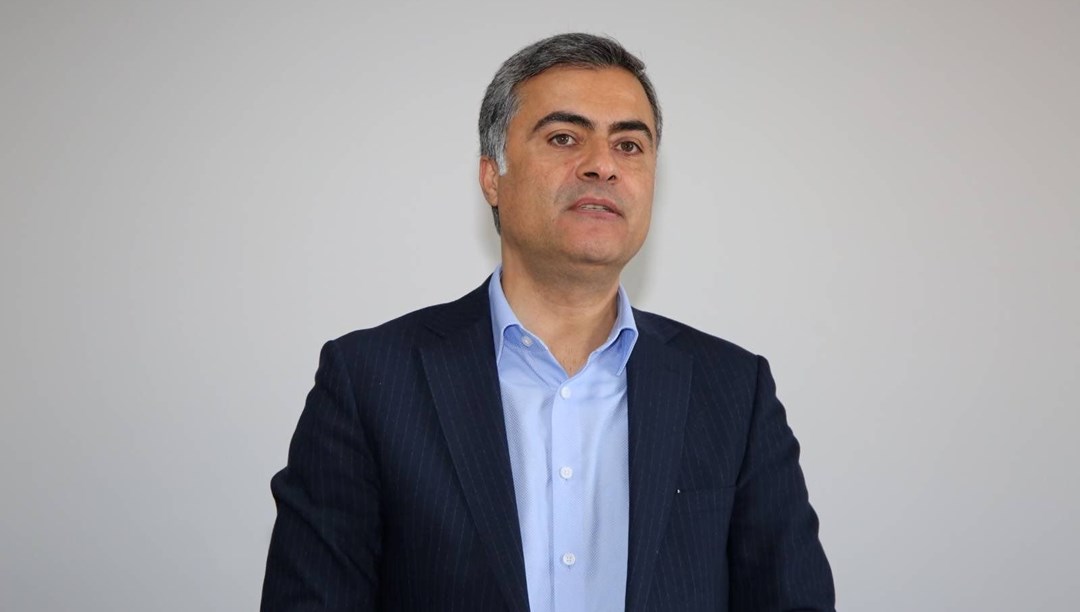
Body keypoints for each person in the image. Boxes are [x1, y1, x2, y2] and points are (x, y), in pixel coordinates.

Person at [261, 33, 835, 612]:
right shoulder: (370, 382)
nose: (602, 166)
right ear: (493, 177)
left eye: (629, 145)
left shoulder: (733, 389)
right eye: (564, 138)